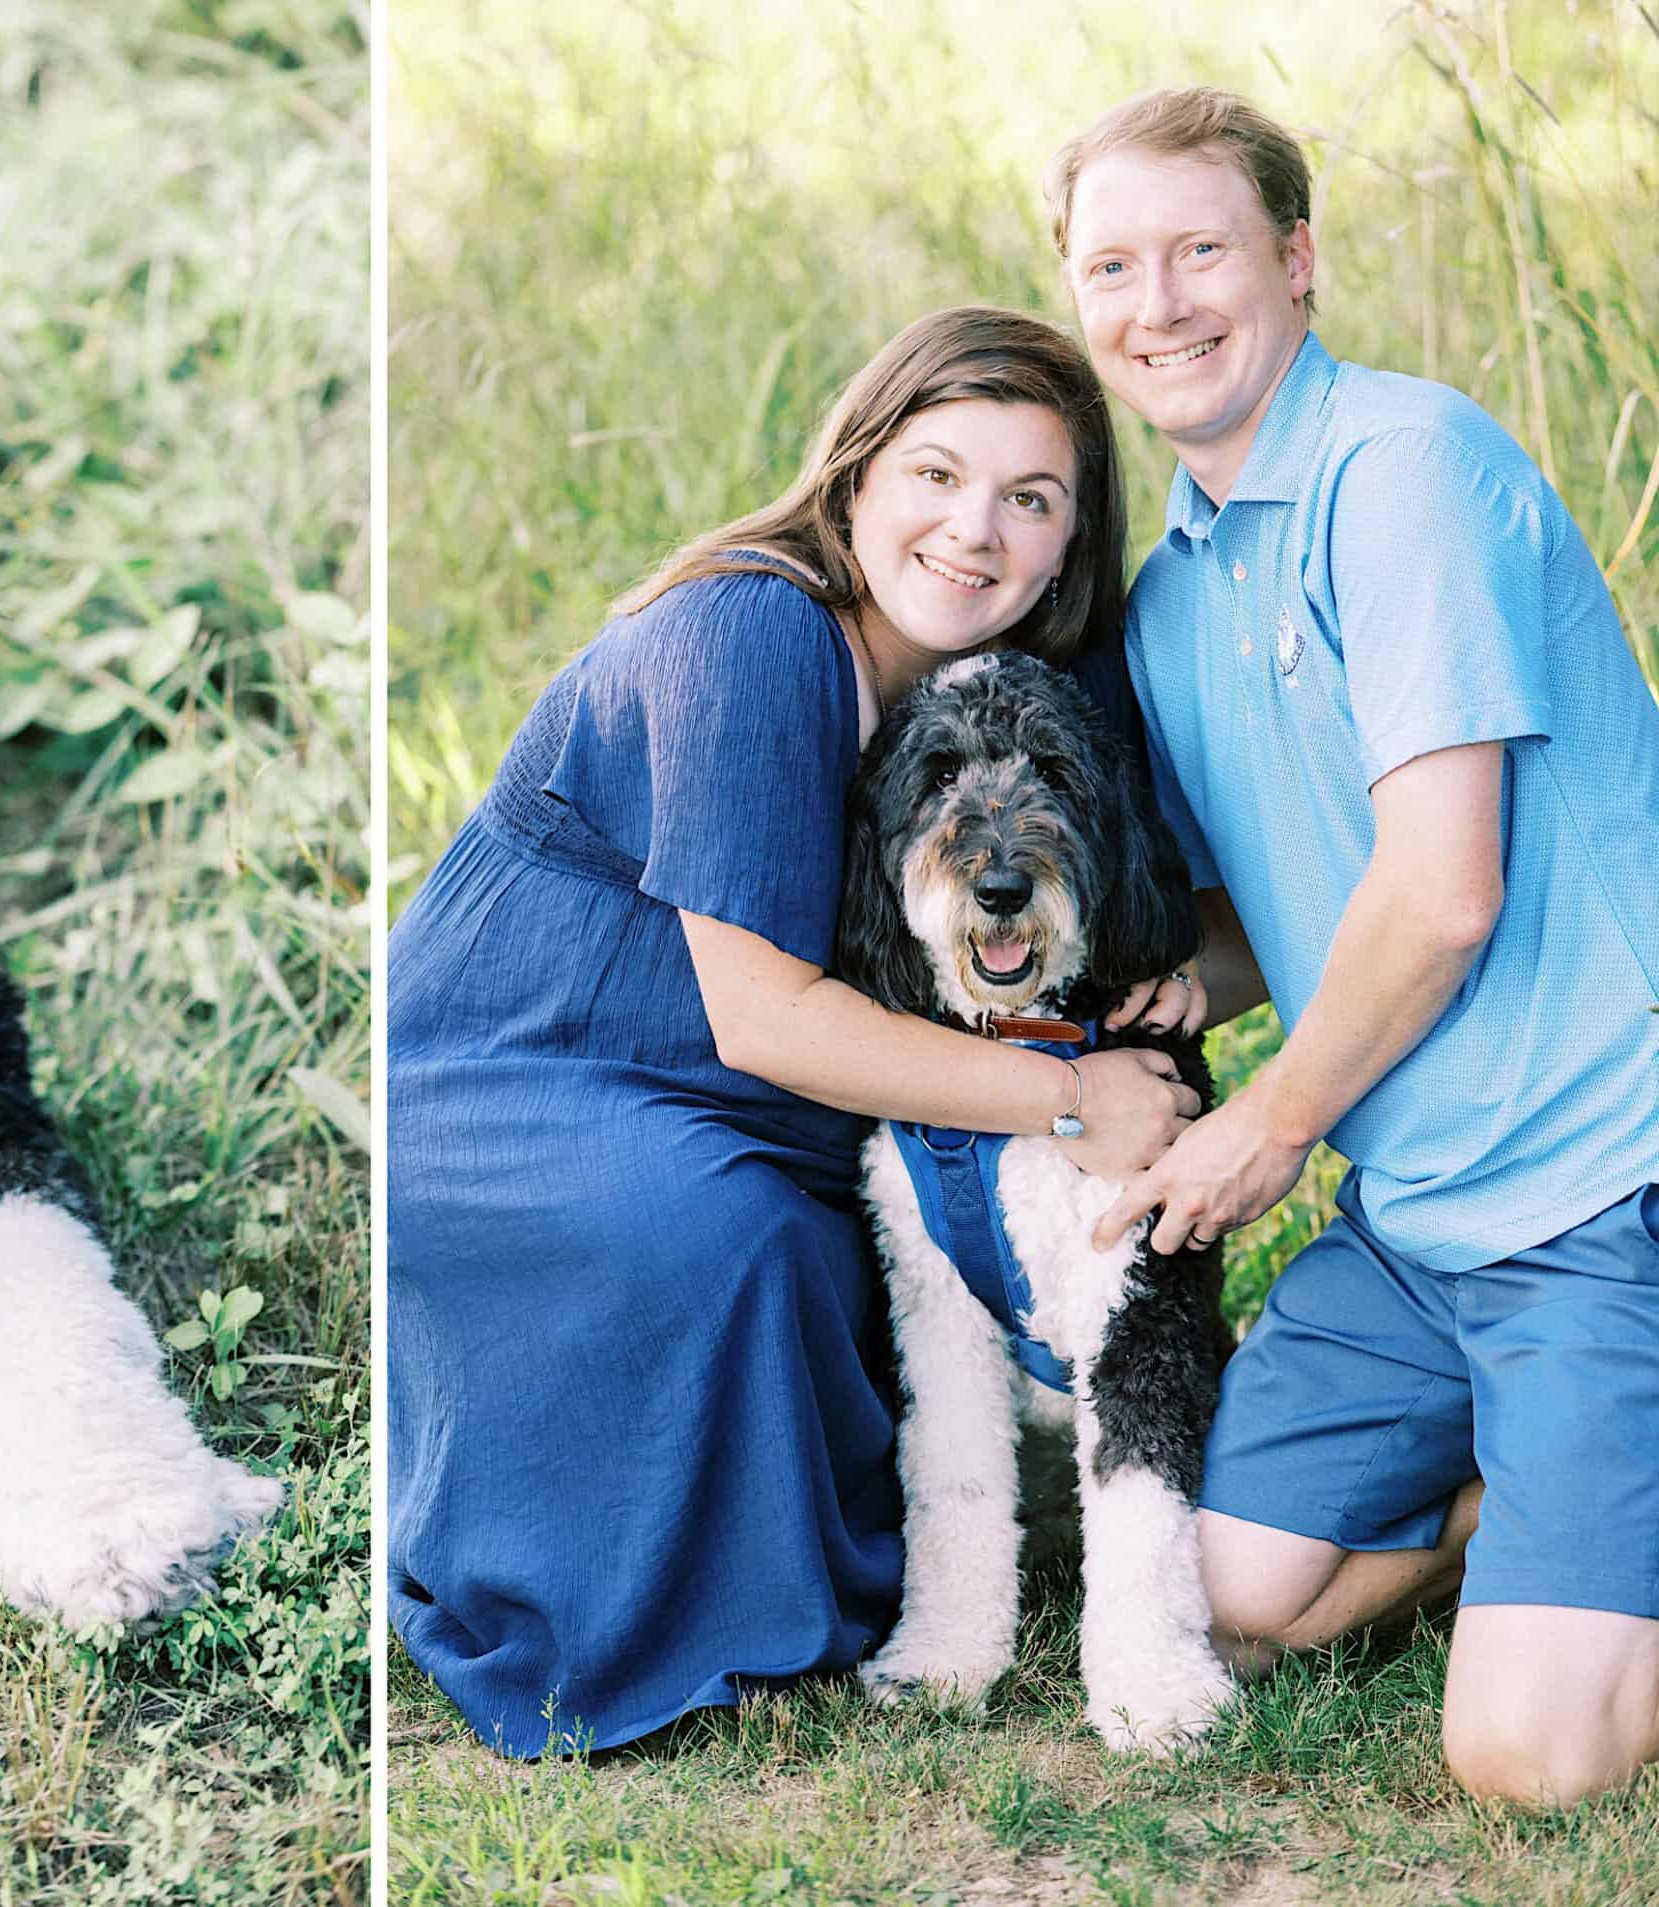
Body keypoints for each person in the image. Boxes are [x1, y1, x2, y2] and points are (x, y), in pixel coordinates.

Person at [387, 306, 1206, 1754]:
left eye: (1031, 499)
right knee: (727, 1254)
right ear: (855, 479)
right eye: (937, 477)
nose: (975, 531)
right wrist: (1074, 1102)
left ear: (1072, 542)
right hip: (536, 1067)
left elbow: (1161, 899)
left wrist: (1191, 992)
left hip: (764, 1090)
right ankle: (642, 1588)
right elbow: (763, 1017)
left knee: (855, 1250)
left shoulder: (1025, 695)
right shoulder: (749, 633)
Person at [1048, 87, 1659, 1805]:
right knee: (1227, 1596)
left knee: (1535, 1762)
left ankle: (1588, 1495)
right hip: (1421, 1225)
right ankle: (1541, 1506)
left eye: (1200, 252)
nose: (1157, 302)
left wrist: (1272, 1119)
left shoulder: (1401, 475)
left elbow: (1442, 890)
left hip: (1602, 1185)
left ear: (1296, 264)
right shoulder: (1172, 590)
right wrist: (1208, 977)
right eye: (1114, 263)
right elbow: (1318, 878)